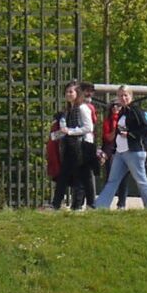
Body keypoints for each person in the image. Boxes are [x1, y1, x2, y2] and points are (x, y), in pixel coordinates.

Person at [93, 87, 147, 210]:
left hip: (134, 152)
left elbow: (146, 130)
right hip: (121, 152)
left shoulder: (136, 111)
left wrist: (129, 134)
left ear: (131, 96)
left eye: (126, 95)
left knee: (141, 180)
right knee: (112, 180)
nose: (123, 98)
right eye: (121, 95)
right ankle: (100, 206)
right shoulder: (123, 112)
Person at [49, 81, 98, 212]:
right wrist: (56, 135)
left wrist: (70, 131)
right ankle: (57, 204)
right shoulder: (68, 110)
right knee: (66, 174)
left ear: (78, 93)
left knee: (82, 176)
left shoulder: (82, 108)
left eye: (71, 92)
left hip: (82, 146)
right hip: (71, 146)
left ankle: (84, 204)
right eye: (67, 92)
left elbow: (89, 127)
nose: (68, 94)